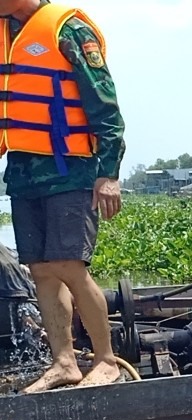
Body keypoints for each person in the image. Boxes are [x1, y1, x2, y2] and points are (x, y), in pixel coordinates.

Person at [2, 1, 124, 393]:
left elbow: (104, 104)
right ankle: (64, 362)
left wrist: (108, 173)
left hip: (70, 167)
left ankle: (106, 361)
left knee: (70, 266)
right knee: (40, 270)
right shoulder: (5, 32)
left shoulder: (68, 29)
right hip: (23, 171)